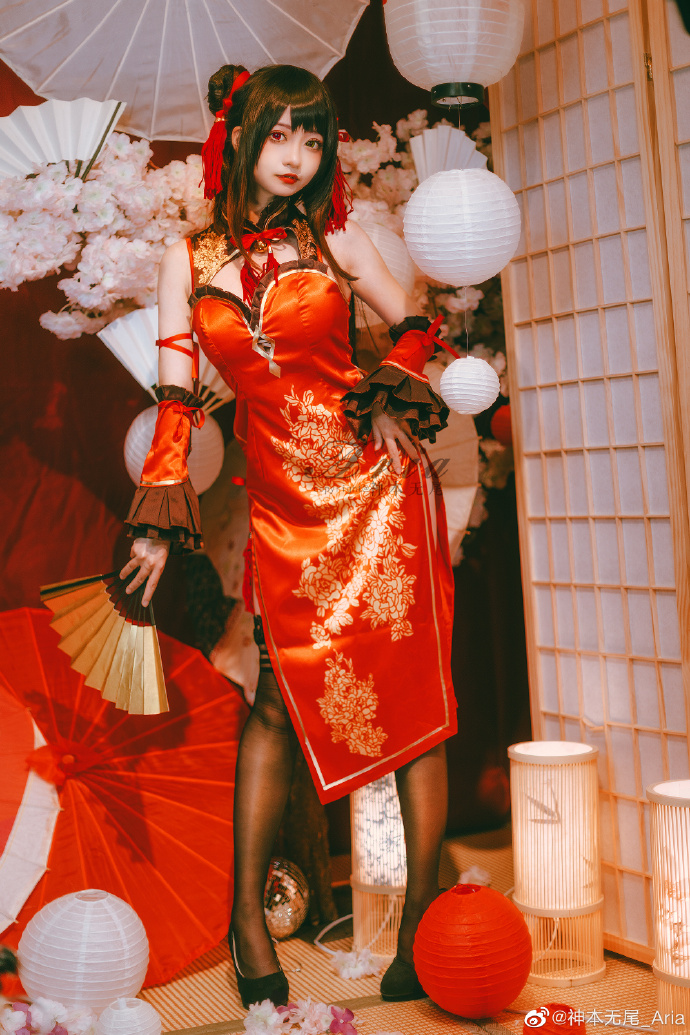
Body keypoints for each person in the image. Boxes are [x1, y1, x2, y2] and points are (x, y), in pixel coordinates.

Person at [120, 64, 458, 1009]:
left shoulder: (336, 234)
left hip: (378, 490)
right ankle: (247, 923)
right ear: (238, 138)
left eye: (313, 140)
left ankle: (422, 928)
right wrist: (157, 525)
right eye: (280, 136)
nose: (297, 157)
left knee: (415, 705)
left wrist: (388, 392)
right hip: (283, 509)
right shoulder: (188, 261)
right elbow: (178, 399)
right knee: (273, 702)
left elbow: (419, 319)